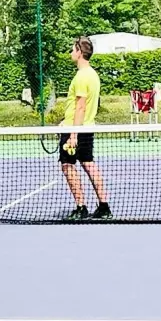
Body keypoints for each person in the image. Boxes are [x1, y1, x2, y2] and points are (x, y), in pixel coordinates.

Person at [59, 37, 111, 221]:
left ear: (80, 52)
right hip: (86, 127)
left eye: (73, 49)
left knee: (67, 166)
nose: (70, 53)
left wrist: (73, 134)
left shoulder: (81, 76)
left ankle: (81, 207)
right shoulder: (93, 75)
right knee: (88, 163)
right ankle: (104, 206)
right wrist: (65, 121)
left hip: (76, 130)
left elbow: (80, 107)